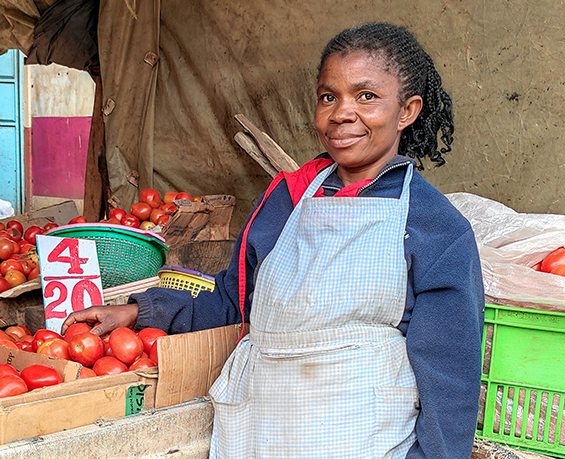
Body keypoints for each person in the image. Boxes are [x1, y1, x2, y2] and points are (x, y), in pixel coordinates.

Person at [63, 22, 485, 459]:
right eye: (328, 97)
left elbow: (449, 377)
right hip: (259, 435)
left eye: (366, 96)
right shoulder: (286, 198)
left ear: (407, 110)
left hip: (365, 441)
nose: (341, 113)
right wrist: (138, 311)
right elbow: (233, 301)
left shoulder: (435, 228)